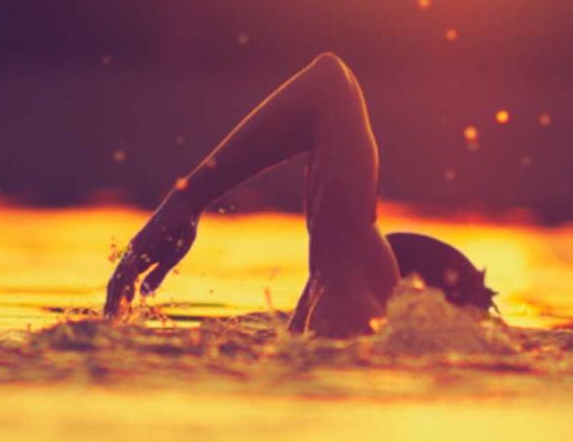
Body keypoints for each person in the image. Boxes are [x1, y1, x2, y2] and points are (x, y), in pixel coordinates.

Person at [104, 53, 494, 338]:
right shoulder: (330, 338)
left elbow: (330, 82)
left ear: (386, 287)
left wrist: (187, 201)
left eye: (380, 255)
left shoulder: (348, 305)